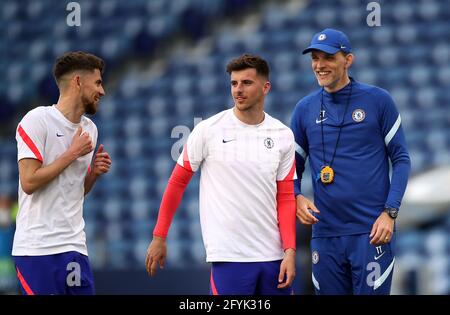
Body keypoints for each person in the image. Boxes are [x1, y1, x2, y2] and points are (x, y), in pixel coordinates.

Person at [145, 54, 297, 295]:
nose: (238, 90)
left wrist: (290, 251)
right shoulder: (208, 130)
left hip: (274, 257)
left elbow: (286, 197)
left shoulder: (283, 134)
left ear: (266, 87)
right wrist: (159, 236)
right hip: (229, 255)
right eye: (234, 83)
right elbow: (177, 182)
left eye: (246, 83)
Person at [290, 28, 411, 295]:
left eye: (328, 58)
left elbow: (401, 159)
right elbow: (290, 169)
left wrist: (390, 213)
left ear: (348, 60)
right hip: (325, 236)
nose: (319, 65)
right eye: (315, 58)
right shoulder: (304, 109)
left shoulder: (378, 100)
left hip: (372, 233)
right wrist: (296, 195)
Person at [12, 51, 112, 295]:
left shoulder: (90, 129)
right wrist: (72, 154)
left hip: (75, 246)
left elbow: (75, 191)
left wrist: (93, 175)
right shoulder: (36, 120)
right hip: (37, 250)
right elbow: (29, 181)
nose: (102, 91)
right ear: (78, 81)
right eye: (98, 83)